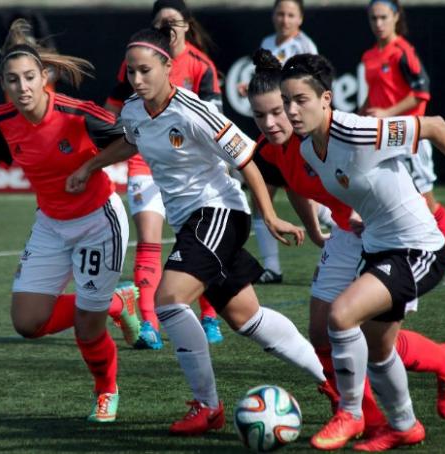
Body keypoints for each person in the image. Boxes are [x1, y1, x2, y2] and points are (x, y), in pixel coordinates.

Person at [67, 26, 340, 437]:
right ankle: (334, 383)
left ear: (167, 67)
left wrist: (269, 214)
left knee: (169, 299)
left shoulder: (192, 110)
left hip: (220, 212)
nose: (137, 80)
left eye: (145, 71)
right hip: (194, 223)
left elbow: (247, 157)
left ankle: (208, 406)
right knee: (246, 317)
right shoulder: (134, 111)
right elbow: (130, 141)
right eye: (131, 72)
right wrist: (91, 165)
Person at [0, 19, 141, 423]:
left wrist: (90, 166)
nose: (21, 88)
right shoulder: (4, 120)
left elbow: (131, 139)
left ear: (45, 78)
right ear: (3, 83)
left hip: (98, 221)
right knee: (27, 323)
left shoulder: (77, 114)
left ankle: (106, 390)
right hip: (51, 225)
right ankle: (115, 301)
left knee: (86, 331)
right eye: (12, 80)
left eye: (28, 78)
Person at [279, 53, 445, 451]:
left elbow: (433, 125)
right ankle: (405, 424)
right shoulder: (310, 149)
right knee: (378, 349)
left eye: (301, 100)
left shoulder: (357, 132)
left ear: (326, 99)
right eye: (287, 101)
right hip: (379, 248)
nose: (292, 110)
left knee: (341, 315)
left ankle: (350, 412)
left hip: (421, 248)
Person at [104, 0, 224, 347]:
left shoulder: (202, 66)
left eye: (174, 22)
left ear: (187, 25)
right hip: (146, 161)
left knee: (200, 241)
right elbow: (114, 108)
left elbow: (213, 121)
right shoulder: (137, 62)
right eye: (161, 23)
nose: (168, 29)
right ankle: (149, 325)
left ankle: (210, 317)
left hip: (190, 167)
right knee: (149, 241)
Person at [360, 0, 445, 285]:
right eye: (373, 18)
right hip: (383, 138)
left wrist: (386, 113)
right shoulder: (370, 55)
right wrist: (360, 114)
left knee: (426, 202)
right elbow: (374, 95)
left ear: (396, 17)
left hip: (410, 137)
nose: (378, 23)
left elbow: (421, 94)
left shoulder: (404, 52)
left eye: (383, 17)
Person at [250, 0, 330, 284]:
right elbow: (295, 186)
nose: (284, 20)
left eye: (291, 14)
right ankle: (271, 266)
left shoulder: (323, 134)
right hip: (281, 151)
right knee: (263, 197)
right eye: (280, 13)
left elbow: (432, 126)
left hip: (373, 229)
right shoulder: (265, 146)